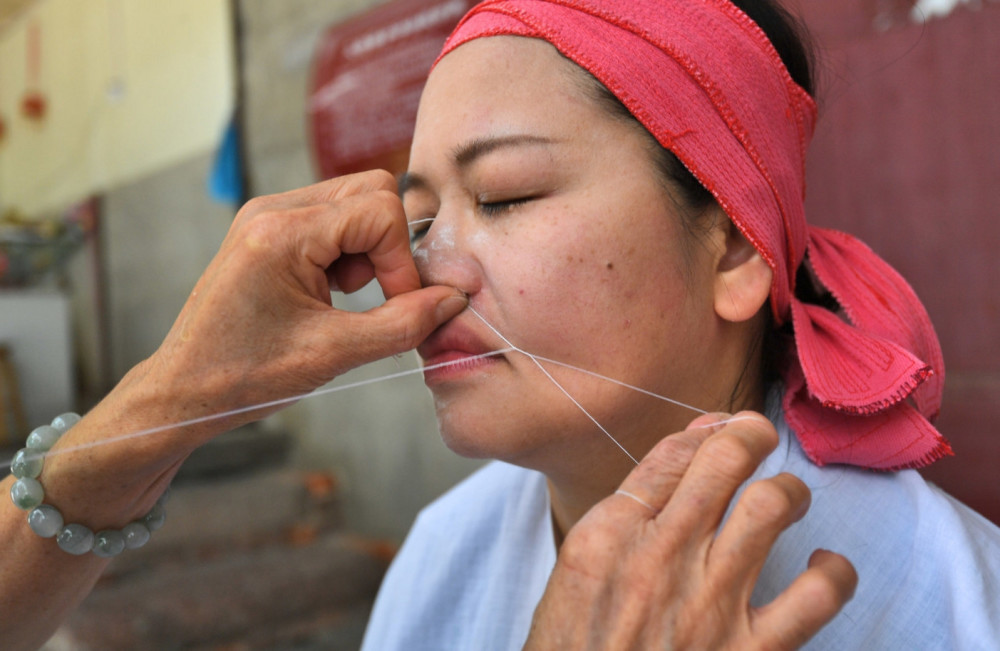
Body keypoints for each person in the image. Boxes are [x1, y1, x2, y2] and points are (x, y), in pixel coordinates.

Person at [359, 0, 1000, 649]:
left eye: (504, 195)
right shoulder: (440, 556)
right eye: (419, 221)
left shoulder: (951, 600)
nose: (426, 270)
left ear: (735, 248)